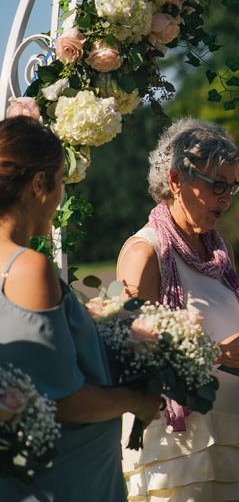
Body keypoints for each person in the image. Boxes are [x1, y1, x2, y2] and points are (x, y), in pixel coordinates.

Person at [117, 118, 239, 502]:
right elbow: (130, 360)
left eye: (231, 186)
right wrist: (220, 353)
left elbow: (237, 340)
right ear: (175, 180)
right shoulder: (146, 253)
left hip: (232, 434)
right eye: (216, 185)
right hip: (176, 446)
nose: (226, 198)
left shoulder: (221, 252)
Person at [0, 116, 161, 501]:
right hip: (66, 478)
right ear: (38, 184)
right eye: (59, 182)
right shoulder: (28, 268)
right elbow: (59, 399)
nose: (59, 198)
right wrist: (136, 400)